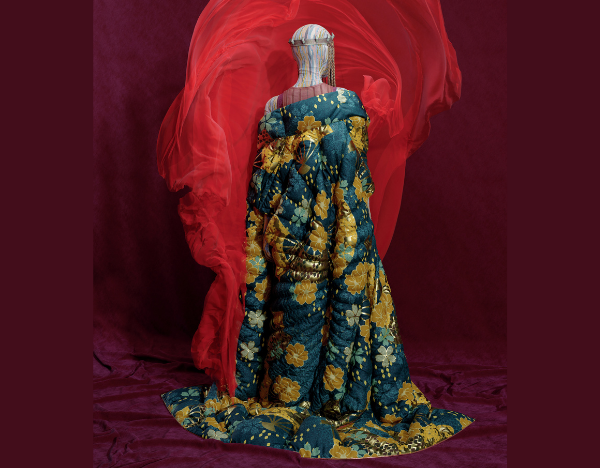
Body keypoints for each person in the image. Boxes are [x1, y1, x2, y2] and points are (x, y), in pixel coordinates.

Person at [161, 23, 474, 458]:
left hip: (284, 236)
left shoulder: (274, 110)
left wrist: (265, 238)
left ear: (297, 52)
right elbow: (354, 181)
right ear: (326, 51)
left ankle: (287, 392)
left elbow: (261, 190)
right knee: (326, 309)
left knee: (291, 311)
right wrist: (356, 238)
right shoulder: (345, 104)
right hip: (336, 233)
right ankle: (328, 397)